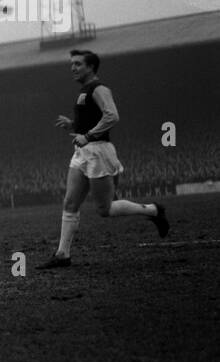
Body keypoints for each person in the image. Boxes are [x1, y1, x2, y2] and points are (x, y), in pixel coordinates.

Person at [39, 50, 169, 268]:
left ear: (91, 67)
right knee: (69, 203)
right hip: (83, 151)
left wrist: (88, 135)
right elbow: (93, 119)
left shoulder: (99, 88)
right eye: (72, 64)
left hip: (98, 151)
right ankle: (63, 255)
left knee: (105, 209)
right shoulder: (84, 91)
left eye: (78, 64)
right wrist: (73, 126)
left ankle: (154, 210)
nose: (73, 68)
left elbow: (112, 115)